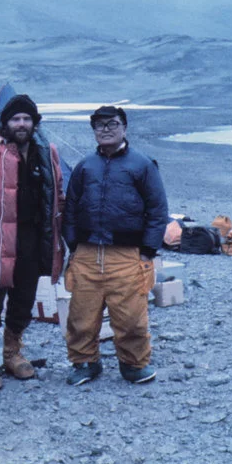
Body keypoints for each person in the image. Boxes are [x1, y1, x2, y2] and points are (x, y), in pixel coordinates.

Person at [0, 95, 65, 390]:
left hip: (33, 239)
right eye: (15, 119)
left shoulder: (48, 153)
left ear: (34, 123)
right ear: (5, 123)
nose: (21, 124)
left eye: (26, 119)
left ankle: (12, 353)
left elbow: (56, 195)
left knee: (24, 300)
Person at [63, 106, 169, 386]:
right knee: (81, 315)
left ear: (124, 127)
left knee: (131, 315)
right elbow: (70, 208)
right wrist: (73, 244)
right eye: (99, 125)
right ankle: (85, 362)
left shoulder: (143, 165)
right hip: (87, 253)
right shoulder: (84, 166)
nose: (106, 129)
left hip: (126, 255)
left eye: (112, 124)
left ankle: (134, 364)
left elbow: (158, 211)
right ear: (93, 130)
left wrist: (146, 251)